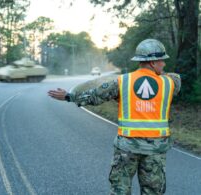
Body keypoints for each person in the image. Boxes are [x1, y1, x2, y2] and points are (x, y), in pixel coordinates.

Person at [48, 39, 181, 195]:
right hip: (156, 150)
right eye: (161, 60)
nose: (163, 64)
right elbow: (173, 77)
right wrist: (158, 74)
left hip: (127, 148)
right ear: (152, 62)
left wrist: (69, 97)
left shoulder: (123, 81)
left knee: (120, 190)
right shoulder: (170, 83)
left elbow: (95, 96)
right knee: (153, 191)